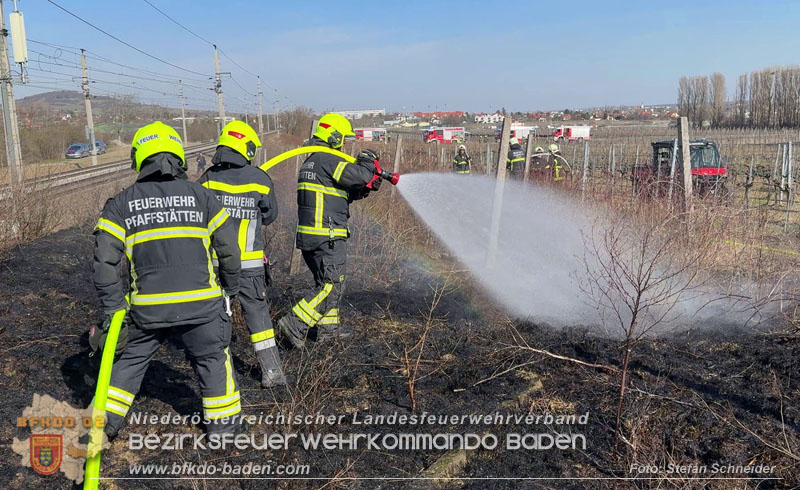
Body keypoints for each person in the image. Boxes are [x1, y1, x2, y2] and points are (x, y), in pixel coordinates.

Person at [91, 121, 245, 438]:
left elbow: (104, 263)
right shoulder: (202, 197)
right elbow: (229, 250)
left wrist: (114, 310)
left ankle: (99, 428)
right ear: (179, 157)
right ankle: (225, 430)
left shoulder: (120, 205)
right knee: (213, 359)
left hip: (147, 311)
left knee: (128, 362)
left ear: (138, 158)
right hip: (203, 306)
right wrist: (230, 289)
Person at [198, 120, 293, 388]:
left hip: (215, 265)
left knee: (218, 315)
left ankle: (222, 373)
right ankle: (272, 372)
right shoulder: (260, 179)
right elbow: (270, 215)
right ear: (247, 148)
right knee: (258, 316)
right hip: (250, 265)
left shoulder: (207, 179)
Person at [277, 113, 381, 348]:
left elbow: (340, 192)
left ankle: (327, 331)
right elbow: (360, 175)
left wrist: (364, 189)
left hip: (312, 235)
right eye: (342, 138)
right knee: (332, 286)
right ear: (333, 137)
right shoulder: (329, 159)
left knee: (325, 284)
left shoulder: (313, 161)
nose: (344, 144)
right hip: (328, 235)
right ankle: (295, 324)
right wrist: (367, 162)